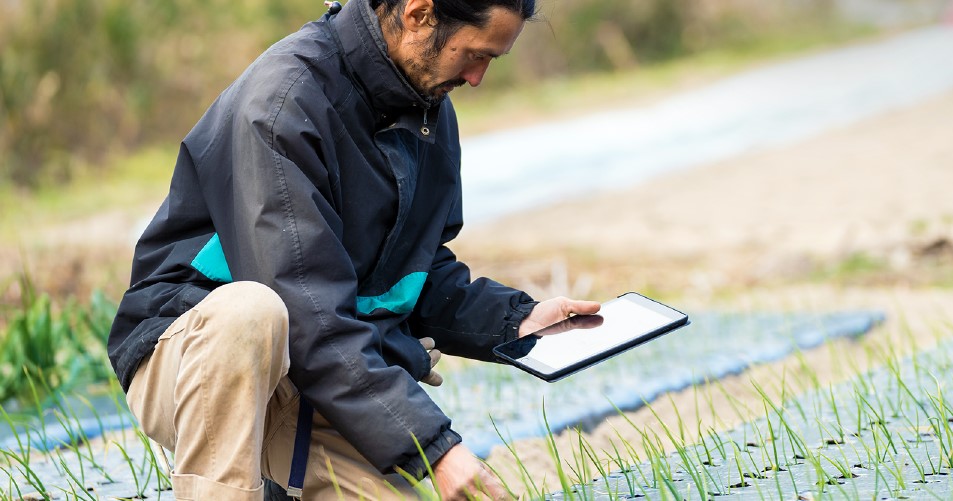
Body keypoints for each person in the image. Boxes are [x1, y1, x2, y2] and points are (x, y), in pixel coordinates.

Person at [105, 0, 600, 499]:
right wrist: (436, 449)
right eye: (476, 54)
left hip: (310, 378)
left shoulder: (428, 113)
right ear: (420, 14)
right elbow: (307, 313)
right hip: (200, 358)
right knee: (250, 312)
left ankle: (281, 480)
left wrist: (516, 321)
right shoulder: (283, 104)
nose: (477, 78)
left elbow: (414, 274)